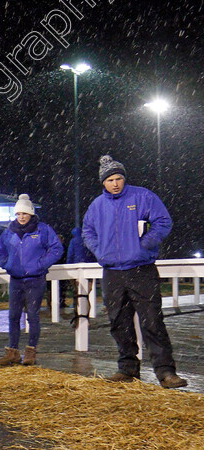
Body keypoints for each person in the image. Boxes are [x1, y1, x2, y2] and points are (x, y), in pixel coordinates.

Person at [82, 155, 186, 388]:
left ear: (124, 179)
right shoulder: (97, 206)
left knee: (153, 322)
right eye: (110, 180)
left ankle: (166, 372)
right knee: (119, 322)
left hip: (142, 270)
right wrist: (100, 251)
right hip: (112, 273)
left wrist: (145, 244)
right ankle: (127, 369)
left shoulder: (142, 196)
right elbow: (87, 232)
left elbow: (163, 221)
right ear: (103, 183)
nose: (115, 183)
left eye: (119, 178)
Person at [0, 194, 63, 366]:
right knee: (13, 316)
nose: (22, 217)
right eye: (18, 214)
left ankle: (31, 351)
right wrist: (7, 265)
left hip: (35, 279)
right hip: (16, 279)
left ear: (31, 214)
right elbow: (0, 251)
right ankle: (13, 352)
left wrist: (41, 264)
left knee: (32, 315)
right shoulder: (8, 232)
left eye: (25, 213)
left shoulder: (43, 230)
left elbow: (56, 249)